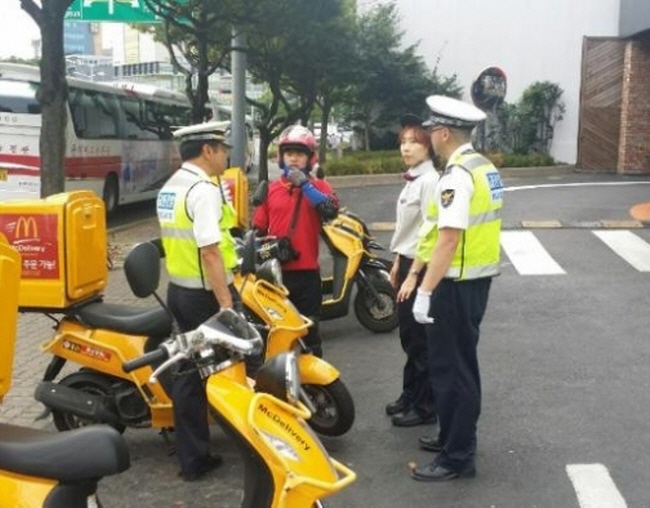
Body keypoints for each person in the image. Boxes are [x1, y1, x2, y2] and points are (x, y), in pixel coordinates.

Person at [410, 95, 503, 482]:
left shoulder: (457, 176)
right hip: (474, 283)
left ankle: (457, 457)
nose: (429, 137)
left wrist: (425, 290)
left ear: (444, 133)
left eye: (432, 131)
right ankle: (453, 437)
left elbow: (448, 238)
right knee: (461, 366)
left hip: (454, 285)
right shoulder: (484, 168)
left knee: (452, 372)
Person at [156, 120, 240, 482]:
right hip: (206, 295)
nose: (225, 156)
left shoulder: (171, 187)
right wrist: (226, 305)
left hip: (180, 290)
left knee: (190, 371)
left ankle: (194, 456)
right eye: (223, 150)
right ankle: (253, 442)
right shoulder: (203, 190)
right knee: (235, 361)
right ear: (208, 150)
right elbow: (209, 251)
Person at [252, 125, 339, 358]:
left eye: (299, 154)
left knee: (310, 335)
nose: (293, 158)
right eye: (289, 153)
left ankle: (318, 391)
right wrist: (268, 245)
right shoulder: (270, 189)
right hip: (275, 276)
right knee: (278, 335)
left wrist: (305, 185)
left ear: (310, 158)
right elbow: (257, 231)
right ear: (281, 157)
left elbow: (330, 211)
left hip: (308, 275)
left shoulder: (318, 187)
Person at [385, 114, 439, 428]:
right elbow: (408, 231)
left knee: (420, 339)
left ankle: (425, 406)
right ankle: (410, 395)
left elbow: (429, 232)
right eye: (404, 142)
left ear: (428, 146)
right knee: (408, 336)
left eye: (414, 142)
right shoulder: (414, 179)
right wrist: (396, 263)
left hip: (420, 265)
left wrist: (413, 274)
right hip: (407, 261)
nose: (406, 148)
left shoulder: (430, 182)